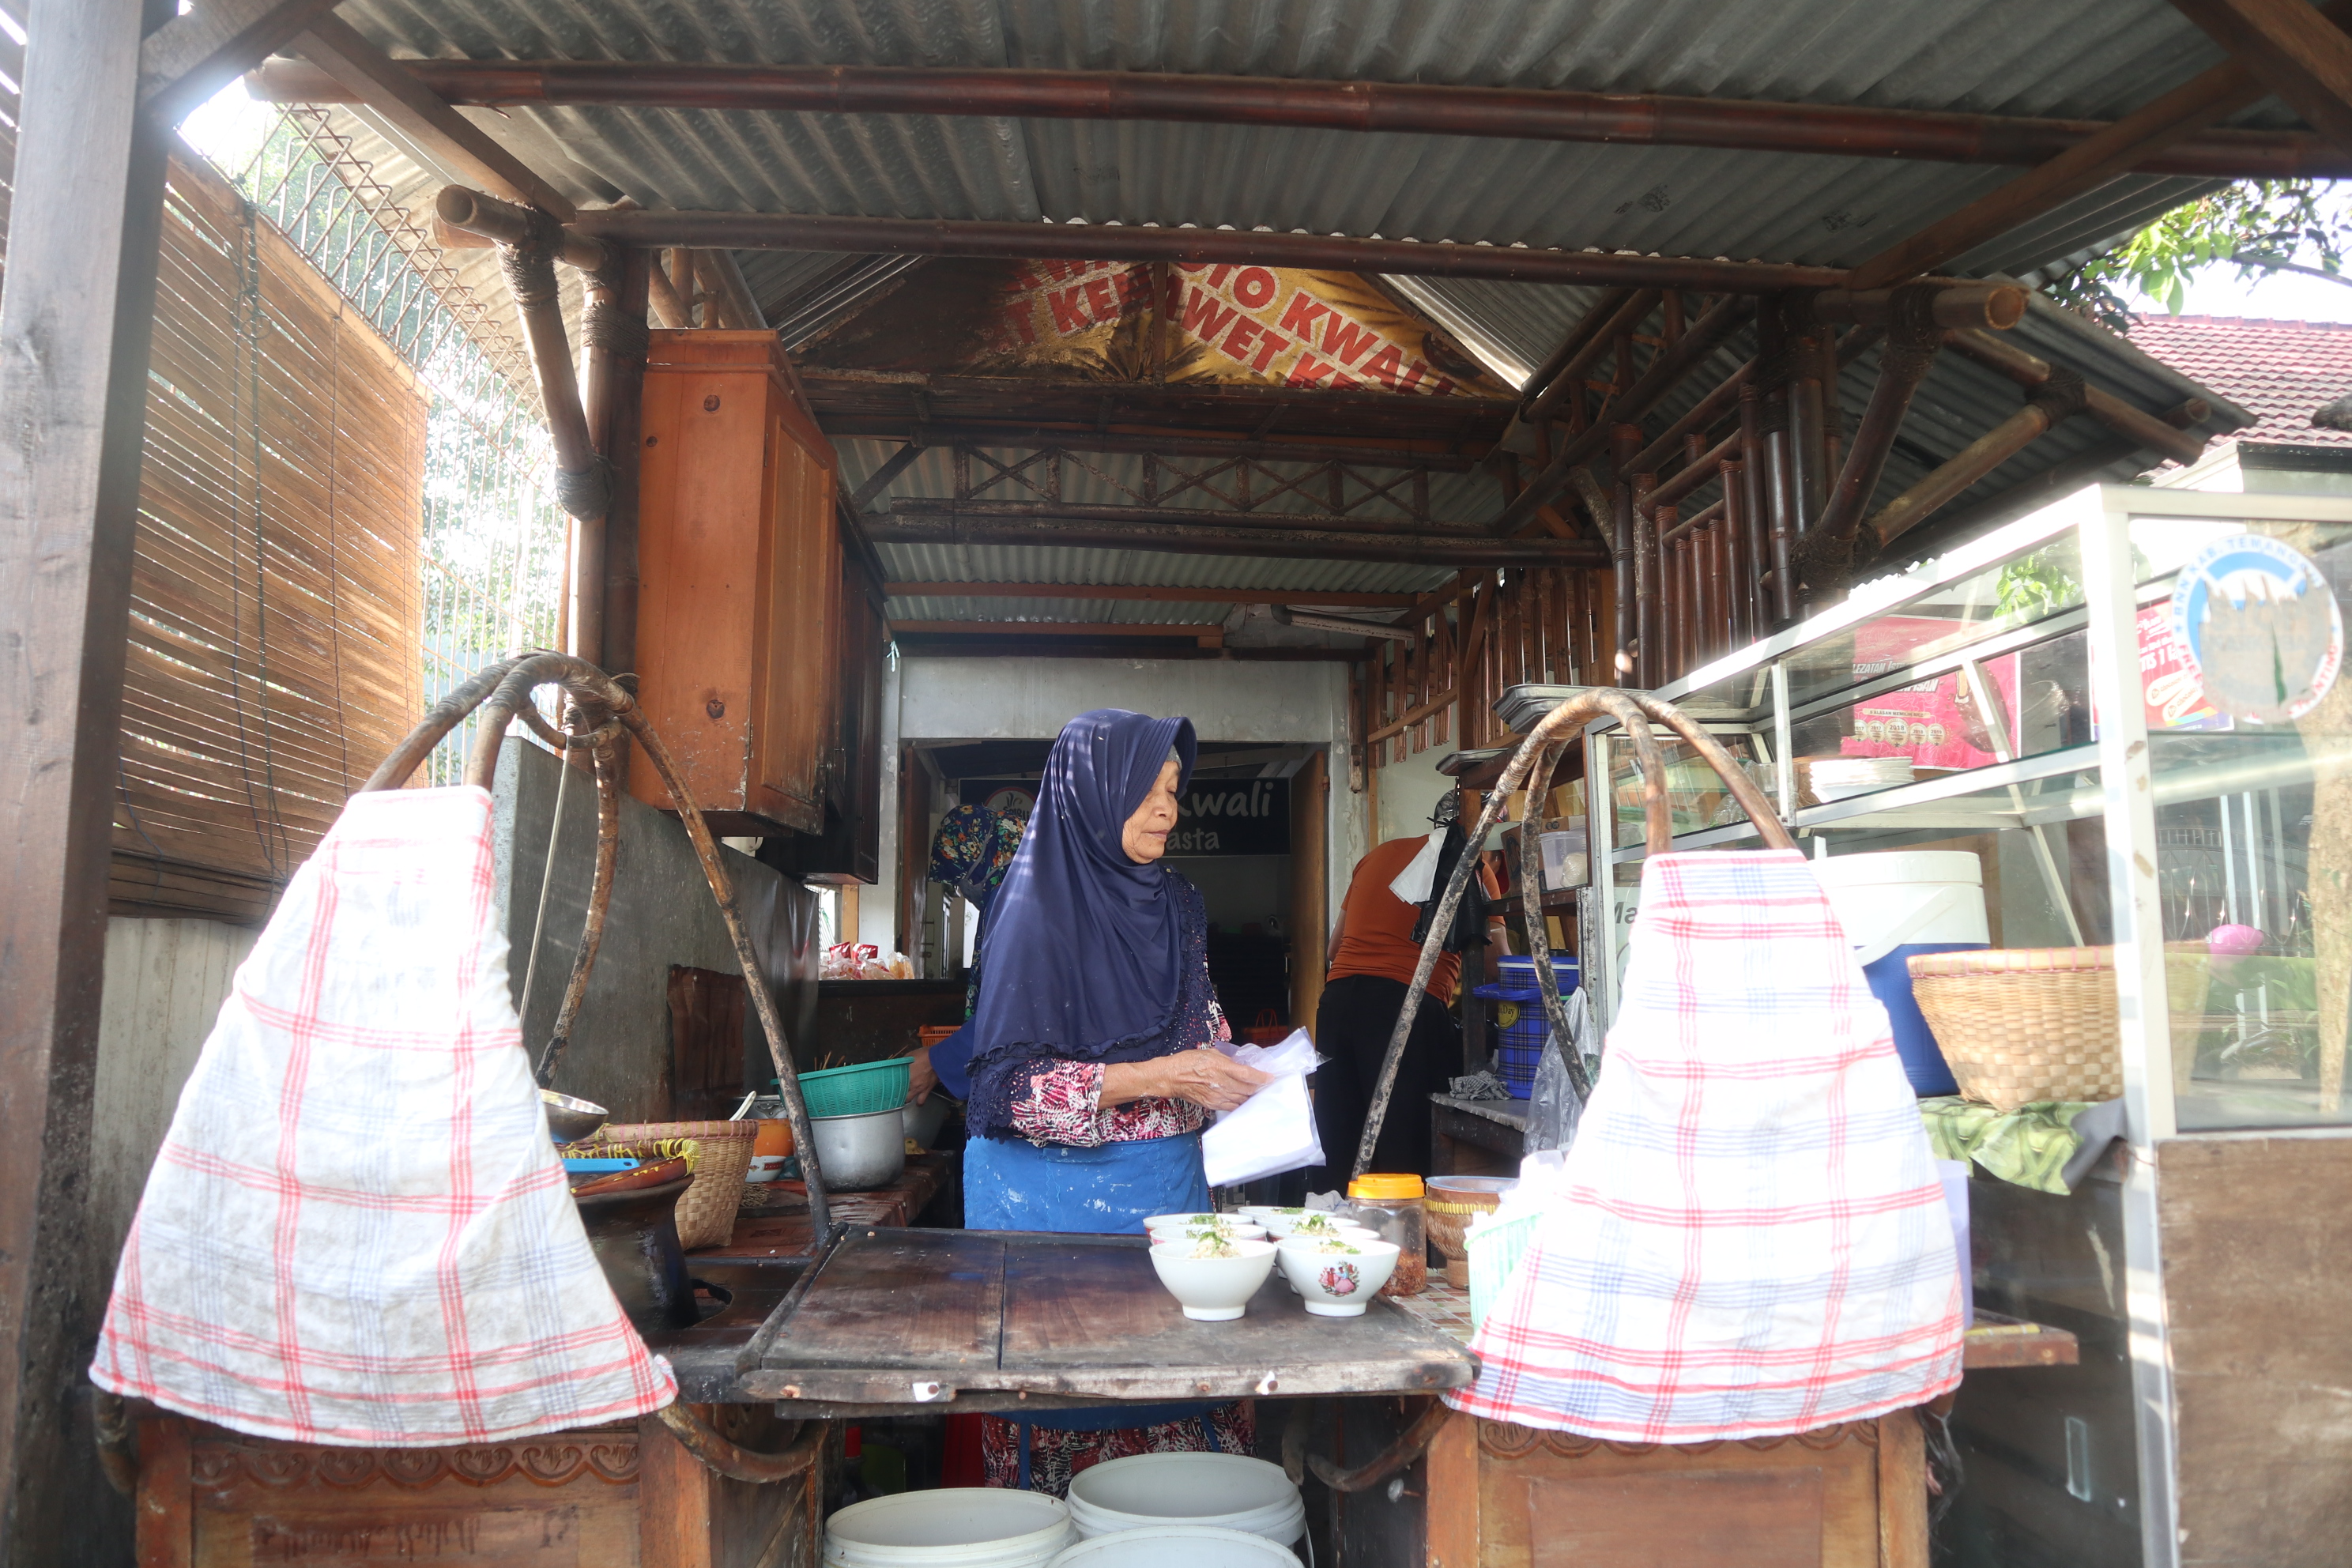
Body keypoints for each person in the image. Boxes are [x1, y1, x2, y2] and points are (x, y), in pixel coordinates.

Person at [957, 707, 1270, 1494]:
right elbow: (1002, 1094)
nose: (1168, 809)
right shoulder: (1031, 912)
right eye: (1146, 790)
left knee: (1184, 1429)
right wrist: (1162, 1076)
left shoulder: (1179, 905)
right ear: (1094, 794)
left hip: (1166, 1205)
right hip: (1049, 1221)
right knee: (1061, 1423)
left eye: (1174, 789)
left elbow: (1204, 1034)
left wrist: (1245, 1078)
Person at [1310, 795, 1477, 1180]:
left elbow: (1334, 950)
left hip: (1338, 1003)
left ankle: (1334, 1215)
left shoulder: (1379, 855)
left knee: (1341, 1133)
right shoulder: (1472, 866)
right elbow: (1497, 965)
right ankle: (1403, 1219)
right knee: (1404, 1142)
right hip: (1404, 1006)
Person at [907, 803, 1024, 1103]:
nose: (962, 889)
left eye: (959, 876)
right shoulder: (1023, 889)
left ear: (980, 855)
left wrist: (938, 1061)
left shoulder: (1017, 902)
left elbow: (1018, 1006)